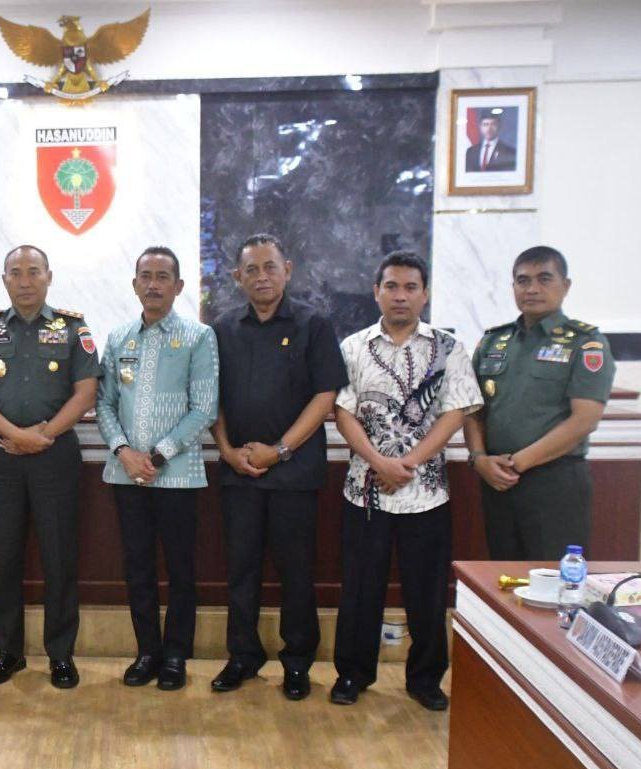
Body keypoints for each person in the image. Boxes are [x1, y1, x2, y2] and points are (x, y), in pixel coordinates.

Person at [330, 251, 482, 710]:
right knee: (360, 590)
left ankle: (425, 679)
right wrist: (378, 461)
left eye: (411, 287)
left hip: (427, 494)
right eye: (392, 286)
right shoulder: (353, 347)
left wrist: (408, 463)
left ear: (425, 294)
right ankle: (352, 675)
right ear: (376, 292)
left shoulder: (448, 348)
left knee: (427, 592)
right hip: (366, 492)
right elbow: (343, 412)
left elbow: (455, 412)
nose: (401, 295)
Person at [210, 233, 347, 698]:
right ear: (237, 277)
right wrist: (227, 450)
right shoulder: (223, 329)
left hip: (294, 473)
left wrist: (280, 450)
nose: (262, 277)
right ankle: (242, 656)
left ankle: (297, 662)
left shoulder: (313, 324)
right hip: (239, 472)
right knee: (241, 571)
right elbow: (212, 398)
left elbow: (325, 396)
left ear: (287, 270)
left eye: (270, 267)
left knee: (296, 572)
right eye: (251, 269)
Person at [0, 245, 102, 689]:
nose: (25, 281)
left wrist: (43, 436)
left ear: (49, 276)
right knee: (3, 557)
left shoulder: (74, 329)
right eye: (16, 273)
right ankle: (8, 652)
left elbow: (85, 393)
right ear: (4, 279)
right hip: (1, 454)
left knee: (60, 557)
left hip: (55, 455)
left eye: (33, 272)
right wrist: (17, 435)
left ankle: (61, 654)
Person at [96, 247, 218, 691]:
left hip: (178, 475)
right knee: (138, 566)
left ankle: (176, 656)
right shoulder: (118, 338)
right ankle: (147, 651)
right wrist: (125, 452)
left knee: (181, 568)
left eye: (162, 276)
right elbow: (104, 403)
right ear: (134, 284)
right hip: (126, 473)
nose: (153, 284)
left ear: (178, 286)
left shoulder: (198, 336)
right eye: (145, 276)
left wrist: (158, 455)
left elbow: (204, 407)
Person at [464, 245, 615, 561]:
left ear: (565, 286)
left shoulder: (585, 343)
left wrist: (518, 462)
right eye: (523, 280)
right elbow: (473, 409)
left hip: (554, 480)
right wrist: (479, 458)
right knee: (503, 575)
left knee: (552, 576)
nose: (532, 288)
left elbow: (584, 419)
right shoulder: (493, 341)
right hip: (496, 479)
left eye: (544, 279)